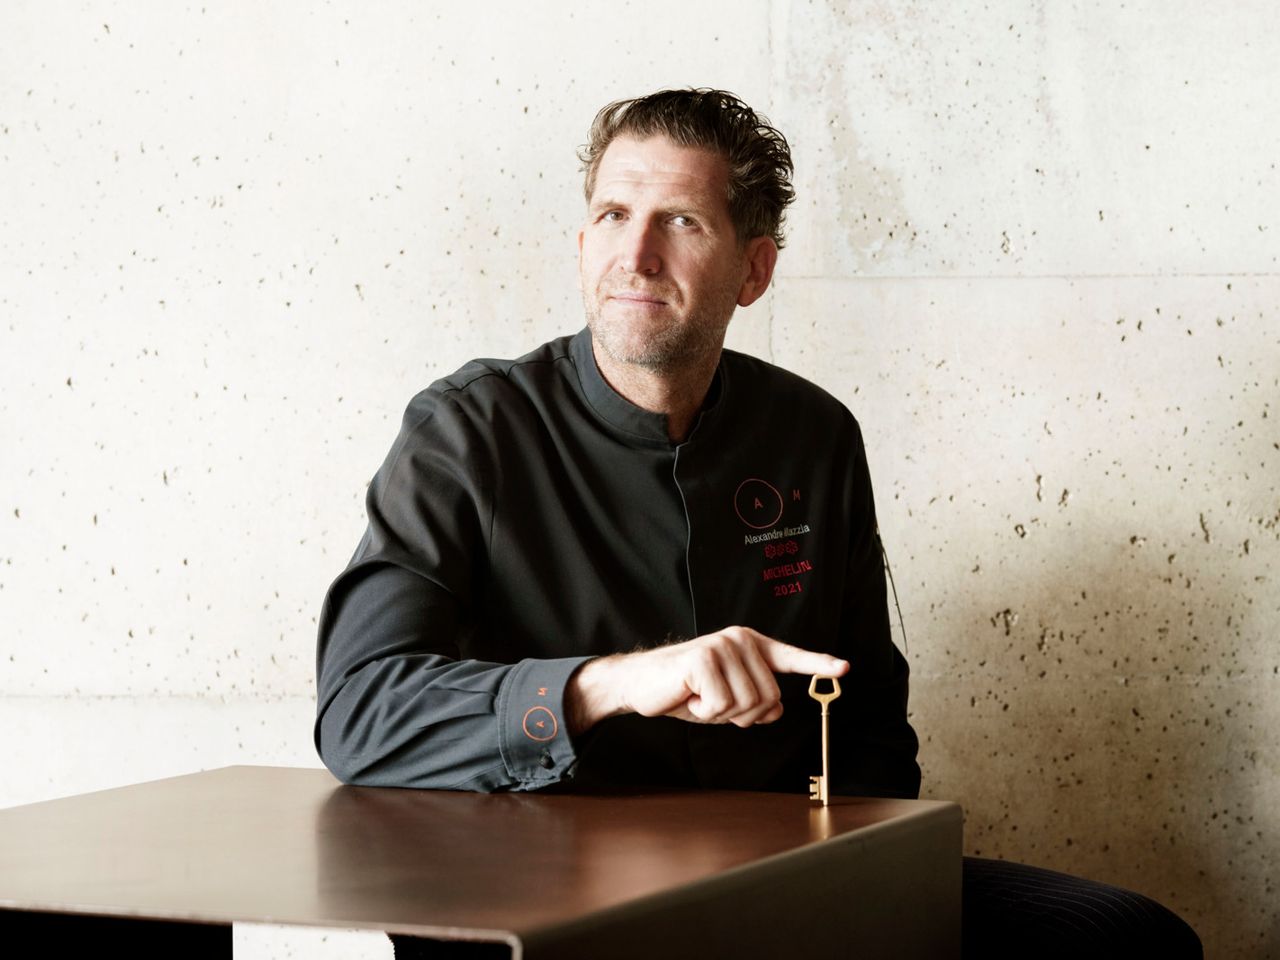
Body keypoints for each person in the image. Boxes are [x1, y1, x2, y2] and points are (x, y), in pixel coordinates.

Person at [315, 88, 1200, 958]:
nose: (637, 255)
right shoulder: (467, 432)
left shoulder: (815, 435)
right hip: (542, 889)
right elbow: (359, 710)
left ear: (754, 270)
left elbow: (869, 726)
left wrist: (871, 885)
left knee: (1128, 941)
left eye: (681, 222)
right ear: (583, 244)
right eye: (614, 215)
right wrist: (608, 684)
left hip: (777, 882)